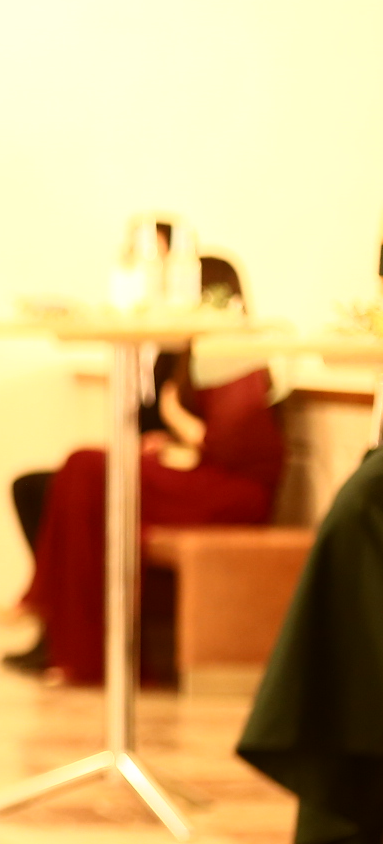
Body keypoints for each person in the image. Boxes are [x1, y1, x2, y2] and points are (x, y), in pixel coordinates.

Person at [16, 255, 285, 685]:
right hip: (207, 475)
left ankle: (50, 610)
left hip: (234, 491)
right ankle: (75, 645)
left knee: (86, 468)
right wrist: (168, 441)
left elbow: (229, 445)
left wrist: (175, 417)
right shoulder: (195, 351)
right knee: (86, 480)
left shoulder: (232, 350)